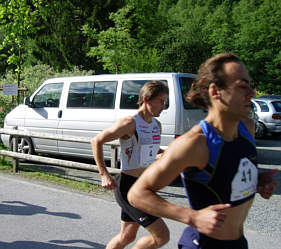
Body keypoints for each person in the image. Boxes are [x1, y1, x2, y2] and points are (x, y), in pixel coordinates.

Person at [128, 53, 277, 249]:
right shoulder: (195, 143)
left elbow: (228, 168)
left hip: (238, 244)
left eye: (250, 85)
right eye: (242, 86)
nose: (252, 93)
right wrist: (192, 216)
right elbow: (137, 194)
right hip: (202, 244)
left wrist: (256, 178)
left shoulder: (247, 128)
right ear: (216, 92)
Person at [91, 80, 170, 249]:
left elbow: (152, 152)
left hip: (145, 185)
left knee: (126, 236)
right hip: (128, 187)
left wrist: (172, 155)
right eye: (161, 101)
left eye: (165, 101)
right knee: (161, 236)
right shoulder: (129, 123)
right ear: (147, 99)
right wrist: (104, 174)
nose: (164, 106)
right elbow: (96, 141)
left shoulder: (157, 125)